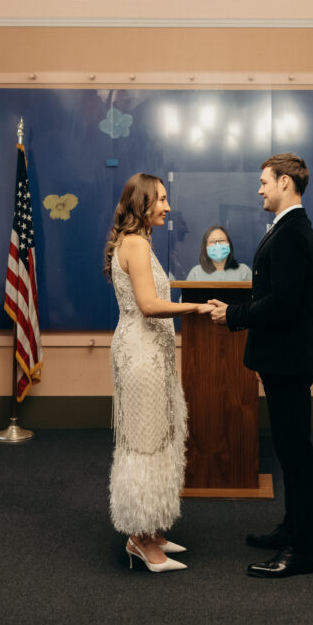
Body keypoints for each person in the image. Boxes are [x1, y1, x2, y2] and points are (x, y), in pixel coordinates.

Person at [208, 153, 313, 579]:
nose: (259, 189)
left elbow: (283, 302)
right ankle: (292, 529)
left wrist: (233, 316)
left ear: (285, 183)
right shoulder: (287, 228)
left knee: (296, 455)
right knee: (290, 452)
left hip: (289, 359)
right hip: (283, 357)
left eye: (264, 182)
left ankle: (303, 551)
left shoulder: (292, 233)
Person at [103, 172, 214, 573]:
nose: (168, 207)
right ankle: (140, 540)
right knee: (145, 443)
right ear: (142, 202)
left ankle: (152, 531)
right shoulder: (134, 243)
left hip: (151, 355)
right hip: (141, 355)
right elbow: (149, 306)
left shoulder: (137, 240)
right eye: (162, 199)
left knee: (157, 438)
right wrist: (196, 307)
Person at [185, 226, 252, 282]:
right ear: (206, 248)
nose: (218, 245)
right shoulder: (196, 273)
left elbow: (254, 293)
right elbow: (186, 294)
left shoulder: (244, 271)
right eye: (212, 241)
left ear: (229, 245)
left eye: (222, 240)